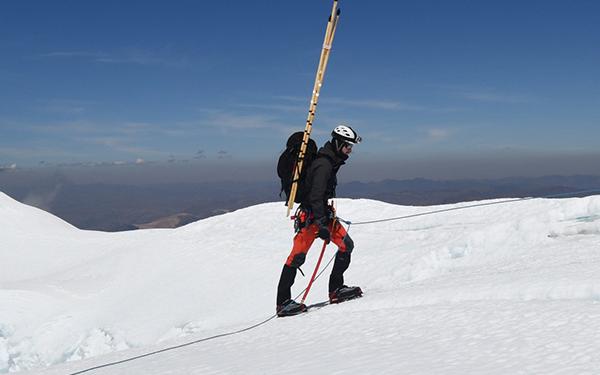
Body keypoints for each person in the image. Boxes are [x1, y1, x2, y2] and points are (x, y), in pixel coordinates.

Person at [276, 125, 363, 317]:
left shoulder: (331, 160)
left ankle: (336, 290)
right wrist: (322, 224)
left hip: (322, 215)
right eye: (348, 146)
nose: (350, 150)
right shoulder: (324, 164)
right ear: (339, 143)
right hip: (313, 218)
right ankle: (282, 303)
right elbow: (315, 195)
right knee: (296, 257)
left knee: (346, 245)